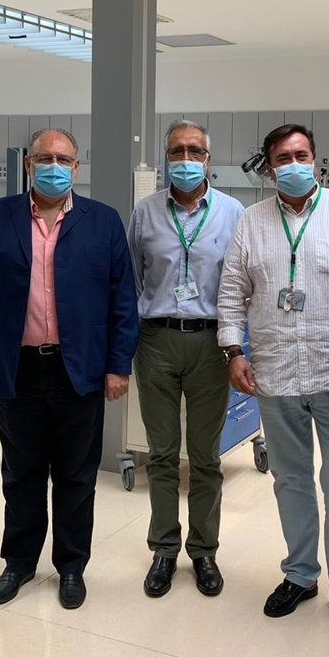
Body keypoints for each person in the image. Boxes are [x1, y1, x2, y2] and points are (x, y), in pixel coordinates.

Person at [217, 124, 329, 633]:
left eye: (302, 155)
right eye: (283, 158)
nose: (293, 165)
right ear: (269, 168)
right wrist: (233, 350)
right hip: (275, 377)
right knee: (290, 480)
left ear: (314, 159)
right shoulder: (251, 222)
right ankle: (300, 574)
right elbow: (232, 291)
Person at [0, 128, 138, 610]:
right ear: (28, 164)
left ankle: (71, 565)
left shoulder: (102, 221)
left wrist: (118, 365)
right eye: (44, 158)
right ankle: (19, 561)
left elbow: (123, 299)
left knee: (77, 474)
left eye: (63, 159)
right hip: (16, 367)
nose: (53, 167)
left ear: (77, 167)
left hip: (78, 369)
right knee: (20, 471)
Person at [128, 119, 244, 598]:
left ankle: (203, 550)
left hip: (210, 343)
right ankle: (163, 548)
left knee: (205, 456)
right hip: (155, 340)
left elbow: (240, 283)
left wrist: (237, 346)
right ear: (166, 158)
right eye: (177, 151)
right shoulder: (145, 212)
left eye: (195, 151)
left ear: (208, 159)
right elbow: (132, 277)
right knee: (160, 454)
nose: (186, 159)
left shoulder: (233, 213)